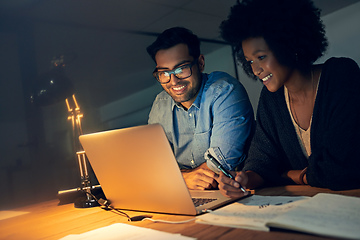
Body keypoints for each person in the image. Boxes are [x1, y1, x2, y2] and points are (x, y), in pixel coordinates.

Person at [217, 0, 360, 197]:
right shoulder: (271, 98)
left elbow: (340, 169)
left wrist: (292, 175)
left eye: (261, 57)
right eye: (250, 61)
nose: (256, 69)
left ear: (288, 45)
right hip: (312, 205)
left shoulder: (341, 75)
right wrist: (245, 179)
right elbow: (262, 159)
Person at [146, 27, 255, 190]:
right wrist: (184, 178)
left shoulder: (225, 91)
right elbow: (151, 165)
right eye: (164, 73)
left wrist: (173, 177)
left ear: (200, 63)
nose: (173, 81)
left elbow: (219, 166)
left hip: (232, 192)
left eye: (181, 69)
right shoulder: (160, 103)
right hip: (183, 193)